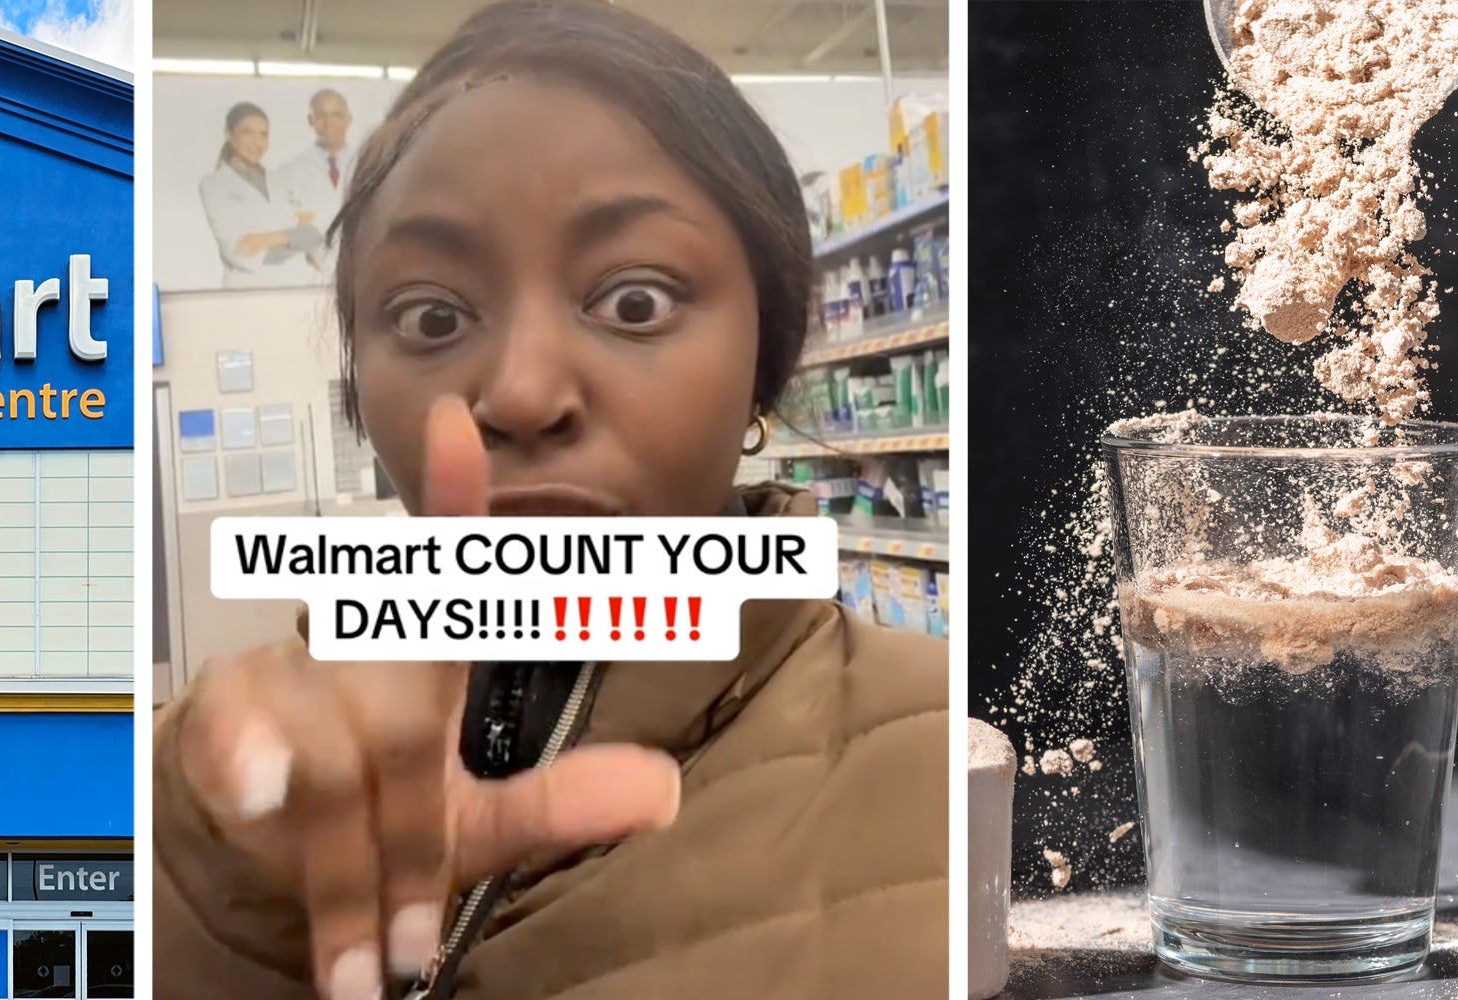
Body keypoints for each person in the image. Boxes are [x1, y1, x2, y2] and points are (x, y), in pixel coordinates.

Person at [153, 2, 947, 999]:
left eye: (634, 302)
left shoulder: (936, 765)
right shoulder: (188, 791)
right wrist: (226, 886)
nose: (521, 393)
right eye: (433, 315)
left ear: (762, 364)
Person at [201, 101, 324, 288]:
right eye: (247, 132)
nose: (257, 142)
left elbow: (316, 235)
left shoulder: (283, 181)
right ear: (228, 134)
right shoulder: (214, 185)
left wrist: (265, 239)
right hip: (248, 290)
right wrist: (297, 238)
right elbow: (238, 252)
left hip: (297, 287)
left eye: (263, 134)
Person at [277, 88, 356, 245]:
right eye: (321, 116)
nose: (329, 123)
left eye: (336, 115)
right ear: (310, 120)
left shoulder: (368, 166)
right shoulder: (288, 173)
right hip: (308, 263)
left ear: (349, 119)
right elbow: (284, 226)